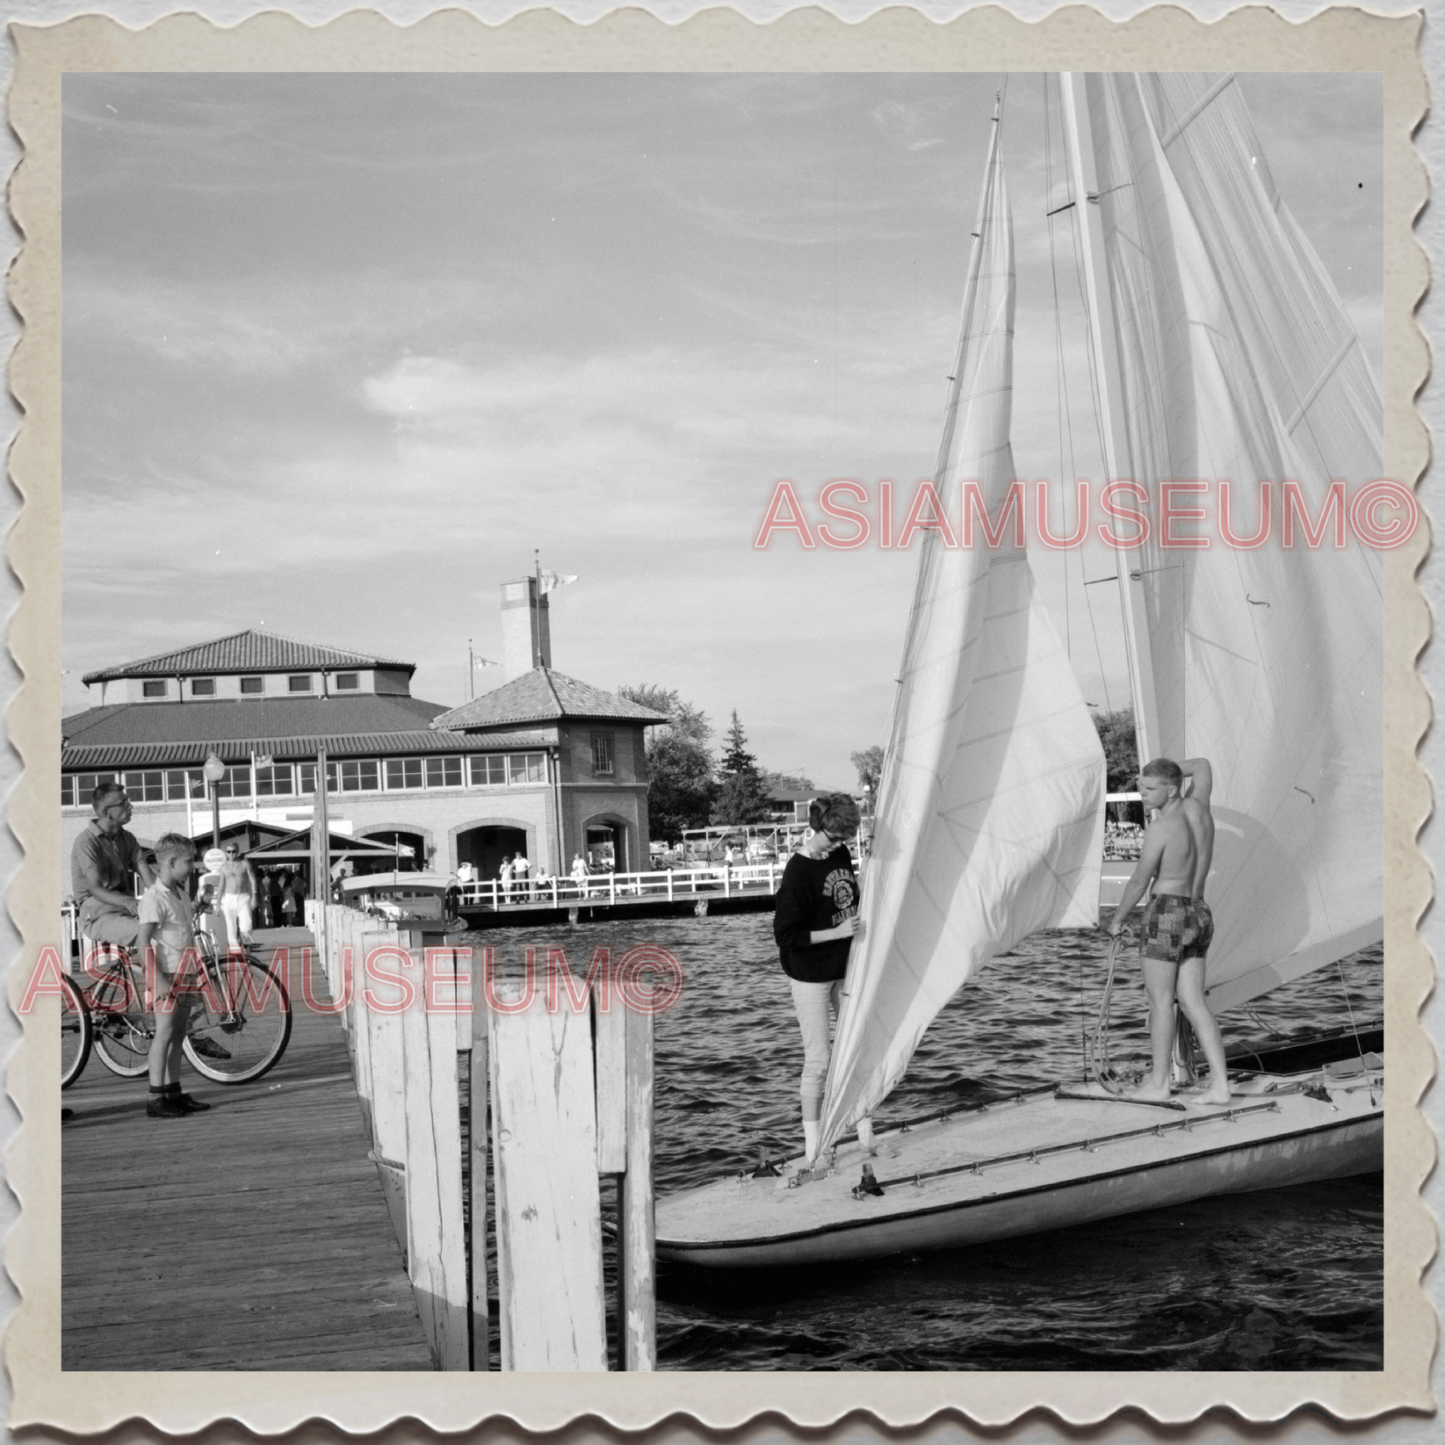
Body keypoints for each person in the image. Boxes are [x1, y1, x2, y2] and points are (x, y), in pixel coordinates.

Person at [1107, 757, 1230, 1105]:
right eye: (1140, 787)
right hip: (1199, 913)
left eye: (1149, 788)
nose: (1141, 793)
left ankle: (1159, 1083)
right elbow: (1204, 765)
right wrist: (1164, 767)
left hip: (1167, 913)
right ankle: (1220, 1086)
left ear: (1172, 789)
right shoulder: (1200, 808)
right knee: (1193, 1003)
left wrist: (1117, 921)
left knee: (1161, 1001)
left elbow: (1138, 882)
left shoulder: (1162, 827)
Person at [772, 792, 876, 1166]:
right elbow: (786, 935)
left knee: (858, 1046)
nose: (839, 845)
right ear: (819, 828)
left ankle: (865, 1132)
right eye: (834, 838)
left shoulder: (841, 854)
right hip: (810, 974)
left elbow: (851, 897)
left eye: (844, 839)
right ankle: (814, 1146)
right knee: (819, 1060)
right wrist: (837, 932)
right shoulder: (798, 871)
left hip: (844, 968)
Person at [136, 834, 211, 1119]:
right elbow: (143, 943)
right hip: (166, 972)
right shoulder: (153, 898)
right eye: (189, 861)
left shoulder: (178, 893)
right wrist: (158, 980)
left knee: (179, 1034)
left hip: (185, 971)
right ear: (170, 862)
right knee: (164, 1032)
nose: (193, 866)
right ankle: (156, 1097)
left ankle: (173, 1091)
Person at [70, 781, 155, 960]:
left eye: (128, 800)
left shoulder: (127, 838)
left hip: (125, 910)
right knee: (150, 934)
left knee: (169, 928)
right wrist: (128, 902)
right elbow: (95, 888)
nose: (130, 806)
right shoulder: (86, 842)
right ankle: (157, 986)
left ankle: (152, 979)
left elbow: (149, 878)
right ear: (106, 812)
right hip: (97, 914)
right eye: (123, 802)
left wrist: (177, 898)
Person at [218, 842, 257, 945]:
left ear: (238, 851)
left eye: (234, 851)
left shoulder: (245, 864)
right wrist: (218, 904)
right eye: (229, 852)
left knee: (247, 926)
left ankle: (247, 948)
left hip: (243, 897)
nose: (231, 854)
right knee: (231, 927)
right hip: (229, 898)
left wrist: (254, 896)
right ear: (226, 853)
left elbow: (252, 880)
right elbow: (221, 885)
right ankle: (235, 952)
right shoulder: (223, 867)